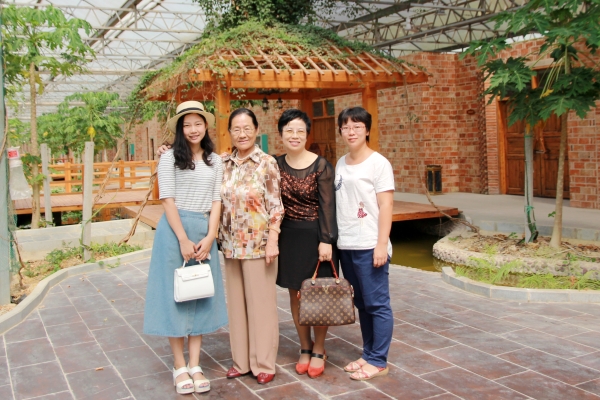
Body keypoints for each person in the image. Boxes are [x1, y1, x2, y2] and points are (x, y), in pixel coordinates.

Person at [143, 101, 228, 394]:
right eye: (187, 124)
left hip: (204, 231)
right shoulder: (169, 158)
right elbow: (167, 199)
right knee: (176, 297)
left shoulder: (215, 160)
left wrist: (211, 235)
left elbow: (216, 200)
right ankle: (179, 366)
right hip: (174, 231)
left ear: (206, 126)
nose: (193, 129)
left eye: (198, 123)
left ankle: (196, 364)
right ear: (180, 128)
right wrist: (181, 238)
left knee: (200, 295)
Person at [220, 108, 284, 385]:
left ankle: (264, 363)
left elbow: (276, 207)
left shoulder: (267, 163)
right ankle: (241, 362)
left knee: (261, 306)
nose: (242, 134)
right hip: (230, 246)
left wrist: (273, 241)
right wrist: (166, 150)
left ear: (257, 130)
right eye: (236, 129)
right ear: (230, 133)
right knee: (236, 306)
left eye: (247, 128)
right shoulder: (223, 164)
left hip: (259, 245)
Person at [274, 109, 338, 379]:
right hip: (289, 237)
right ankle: (305, 346)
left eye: (300, 130)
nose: (294, 135)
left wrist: (326, 240)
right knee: (296, 294)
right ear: (281, 134)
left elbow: (327, 206)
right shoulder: (274, 164)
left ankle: (319, 348)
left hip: (315, 236)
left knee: (320, 294)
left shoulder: (321, 166)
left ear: (307, 134)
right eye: (289, 130)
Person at [334, 106, 395, 381]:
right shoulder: (340, 163)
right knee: (361, 303)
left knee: (377, 304)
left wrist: (381, 244)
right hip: (347, 245)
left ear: (367, 130)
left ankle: (378, 360)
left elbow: (386, 205)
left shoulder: (378, 163)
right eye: (346, 127)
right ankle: (368, 353)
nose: (351, 131)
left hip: (370, 244)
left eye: (357, 126)